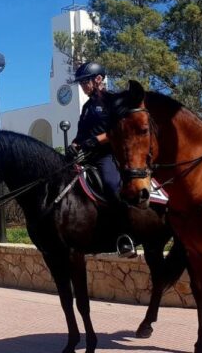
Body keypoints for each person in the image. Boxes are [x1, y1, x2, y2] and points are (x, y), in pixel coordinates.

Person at [71, 62, 136, 258]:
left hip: (107, 155)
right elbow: (81, 134)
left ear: (98, 79)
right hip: (87, 156)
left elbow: (120, 130)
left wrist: (97, 140)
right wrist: (74, 145)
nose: (83, 86)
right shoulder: (87, 107)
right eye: (81, 83)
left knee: (110, 184)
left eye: (85, 82)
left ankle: (126, 235)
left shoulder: (112, 101)